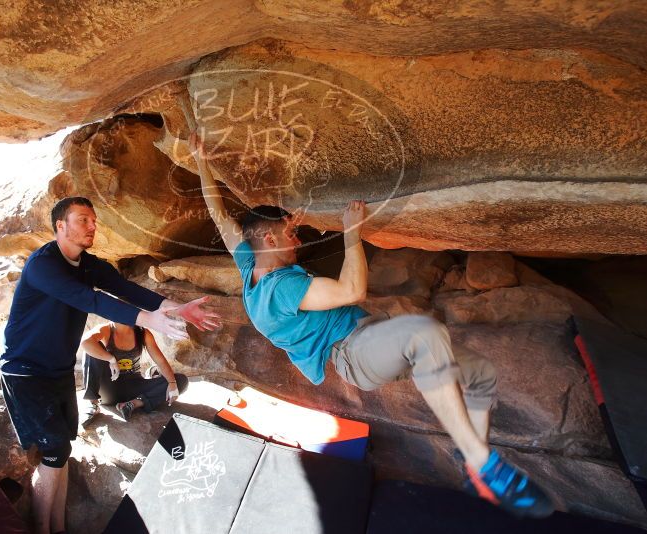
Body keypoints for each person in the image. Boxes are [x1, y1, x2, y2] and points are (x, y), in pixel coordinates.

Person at [189, 133, 554, 519]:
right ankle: (483, 464)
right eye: (290, 234)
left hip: (371, 341)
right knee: (423, 332)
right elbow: (352, 290)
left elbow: (219, 214)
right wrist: (351, 232)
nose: (297, 239)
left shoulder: (250, 267)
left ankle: (474, 460)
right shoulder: (283, 289)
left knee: (481, 375)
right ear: (269, 237)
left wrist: (200, 159)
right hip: (354, 353)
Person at [0, 196, 221, 534]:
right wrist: (149, 320)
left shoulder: (90, 265)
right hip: (26, 371)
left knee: (60, 450)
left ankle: (57, 527)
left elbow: (126, 289)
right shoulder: (42, 264)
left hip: (57, 370)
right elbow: (90, 299)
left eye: (94, 220)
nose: (93, 226)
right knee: (54, 450)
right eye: (83, 219)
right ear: (61, 225)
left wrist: (178, 308)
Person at [79, 321, 188, 426]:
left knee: (180, 381)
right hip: (110, 388)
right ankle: (93, 404)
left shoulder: (143, 333)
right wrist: (111, 359)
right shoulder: (106, 329)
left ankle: (133, 404)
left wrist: (172, 382)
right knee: (91, 348)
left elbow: (160, 361)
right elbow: (85, 342)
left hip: (135, 386)